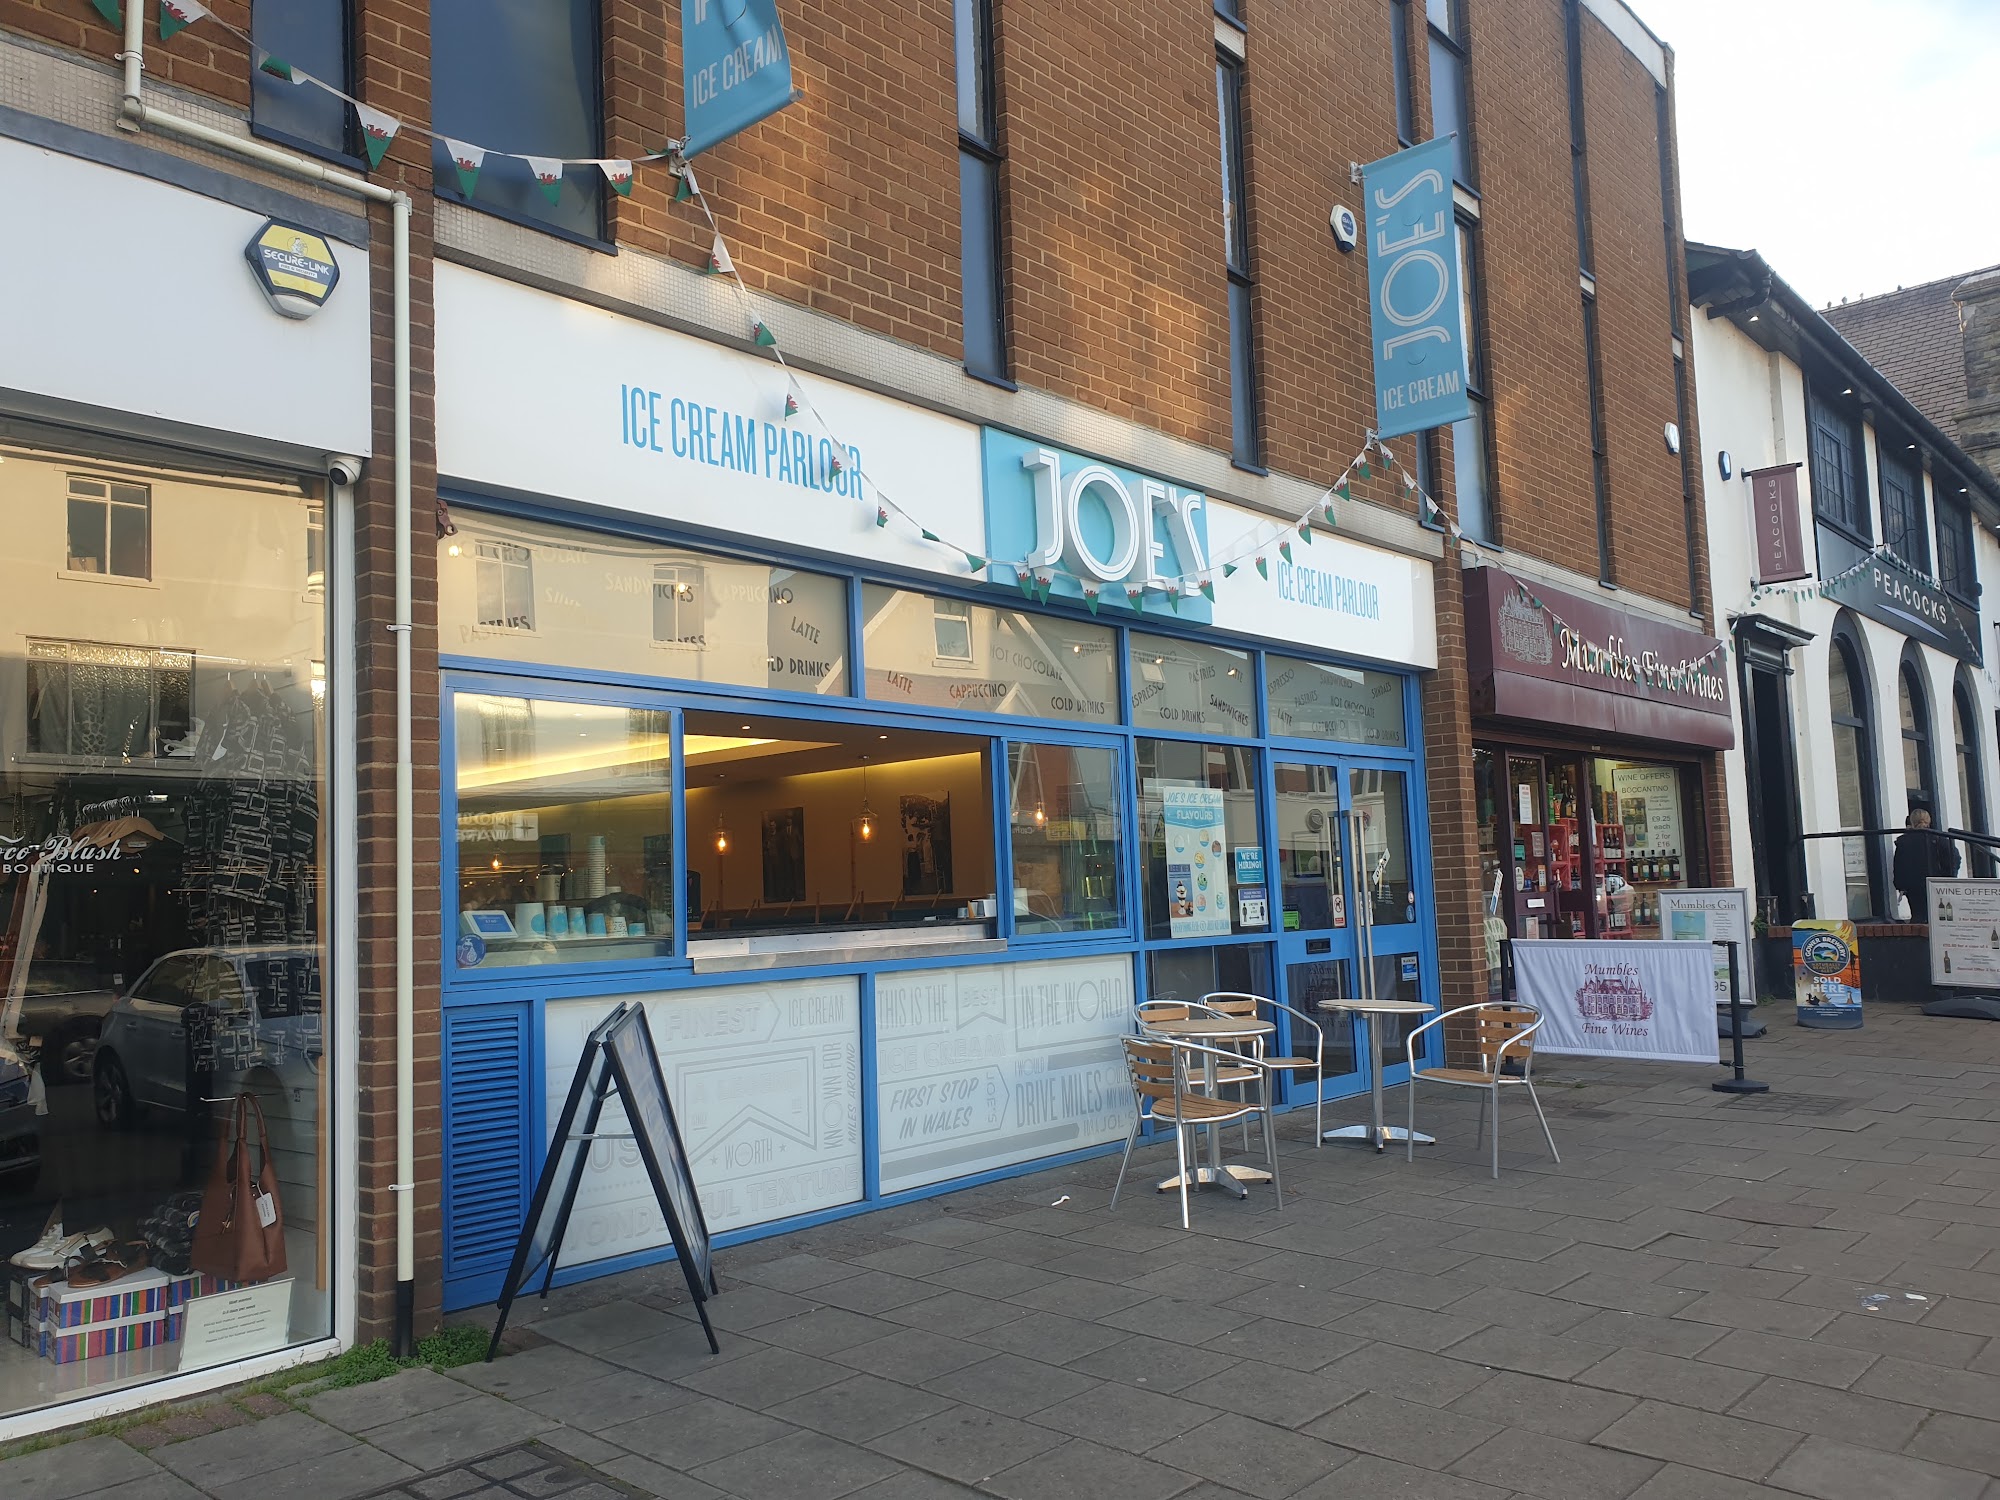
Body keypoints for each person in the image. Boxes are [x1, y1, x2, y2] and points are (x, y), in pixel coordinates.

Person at [1894, 808, 1961, 919]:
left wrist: (1901, 885)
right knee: (1940, 917)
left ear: (1912, 821)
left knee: (1918, 917)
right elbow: (1955, 858)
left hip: (1913, 886)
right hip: (1937, 884)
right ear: (1929, 821)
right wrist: (1948, 876)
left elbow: (1899, 866)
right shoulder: (1938, 838)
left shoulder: (1903, 841)